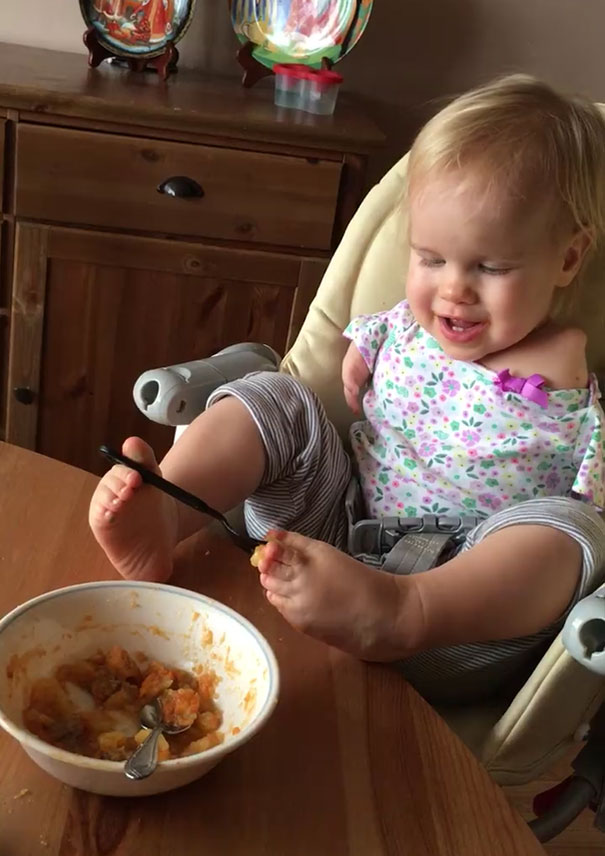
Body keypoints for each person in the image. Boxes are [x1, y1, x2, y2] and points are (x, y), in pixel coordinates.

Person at [89, 75, 605, 704]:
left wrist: (416, 607)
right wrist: (364, 351)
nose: (453, 290)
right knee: (279, 396)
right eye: (430, 258)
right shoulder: (404, 324)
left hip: (459, 614)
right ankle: (168, 510)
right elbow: (366, 339)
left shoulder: (567, 364)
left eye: (491, 268)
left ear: (568, 259)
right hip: (337, 543)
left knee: (571, 530)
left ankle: (399, 610)